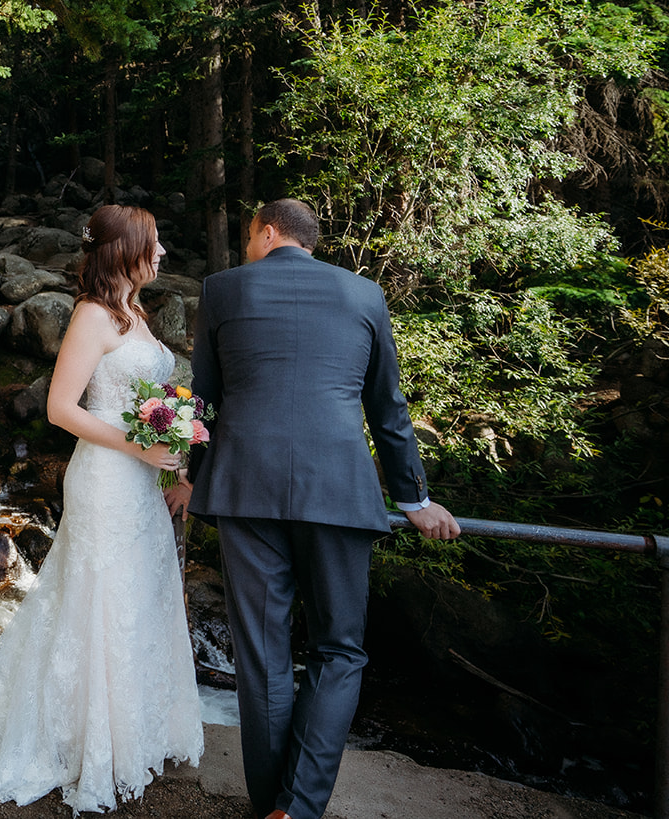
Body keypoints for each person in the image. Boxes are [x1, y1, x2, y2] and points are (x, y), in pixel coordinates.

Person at [0, 204, 204, 813]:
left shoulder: (135, 313)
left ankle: (133, 727)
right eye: (152, 246)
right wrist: (138, 446)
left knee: (138, 595)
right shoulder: (92, 315)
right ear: (123, 251)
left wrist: (173, 446)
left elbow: (147, 400)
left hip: (140, 481)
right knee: (98, 597)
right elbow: (60, 410)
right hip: (105, 477)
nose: (160, 256)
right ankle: (85, 737)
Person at [184, 198, 461, 819]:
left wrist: (193, 480)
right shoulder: (364, 295)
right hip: (338, 489)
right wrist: (412, 498)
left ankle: (270, 808)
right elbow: (387, 409)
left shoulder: (221, 290)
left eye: (250, 236)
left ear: (267, 232)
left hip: (244, 490)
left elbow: (203, 400)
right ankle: (299, 809)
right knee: (339, 650)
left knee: (263, 657)